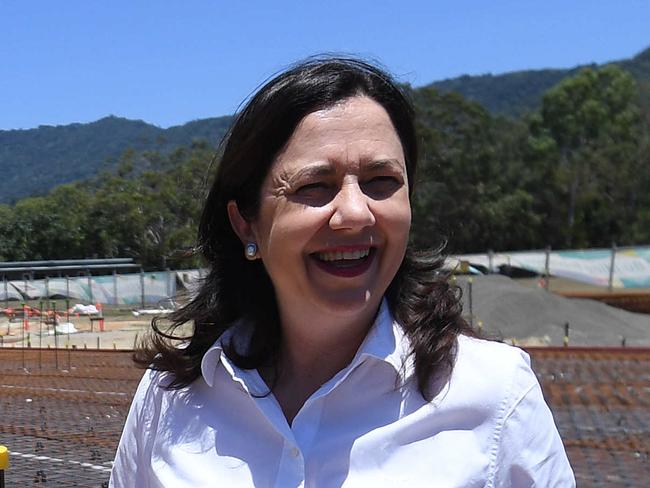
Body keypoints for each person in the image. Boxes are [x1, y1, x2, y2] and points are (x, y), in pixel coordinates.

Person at [109, 57, 575, 487]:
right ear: (245, 221)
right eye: (315, 185)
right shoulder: (171, 395)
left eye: (382, 182)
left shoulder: (495, 395)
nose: (355, 213)